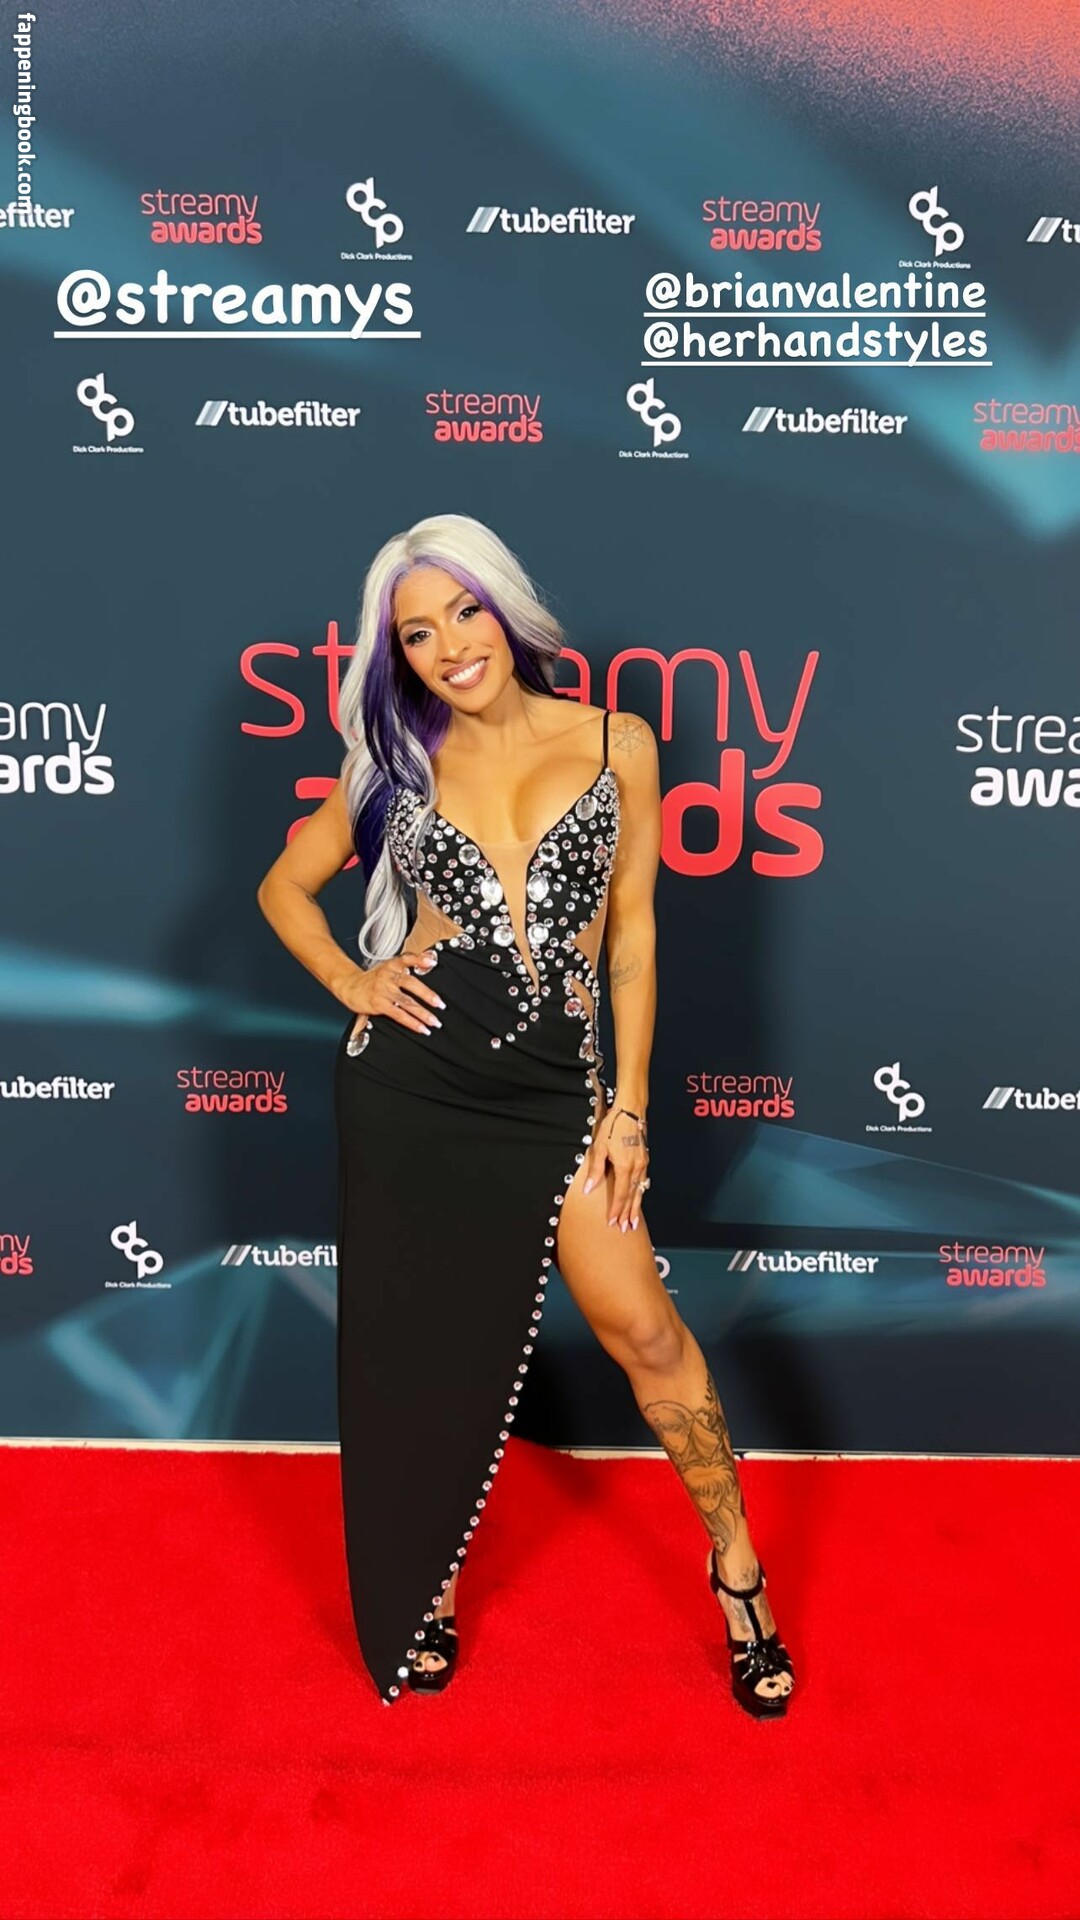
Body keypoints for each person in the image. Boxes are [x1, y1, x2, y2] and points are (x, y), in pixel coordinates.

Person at [256, 513, 795, 1718]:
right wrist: (353, 979)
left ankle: (739, 1573)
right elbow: (283, 887)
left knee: (646, 1333)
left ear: (505, 609)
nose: (450, 645)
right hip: (413, 1094)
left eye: (465, 611)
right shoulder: (393, 761)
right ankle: (428, 1580)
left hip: (560, 1092)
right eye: (417, 632)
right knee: (419, 1353)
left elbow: (634, 934)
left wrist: (629, 1109)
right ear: (395, 653)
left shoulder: (617, 742)